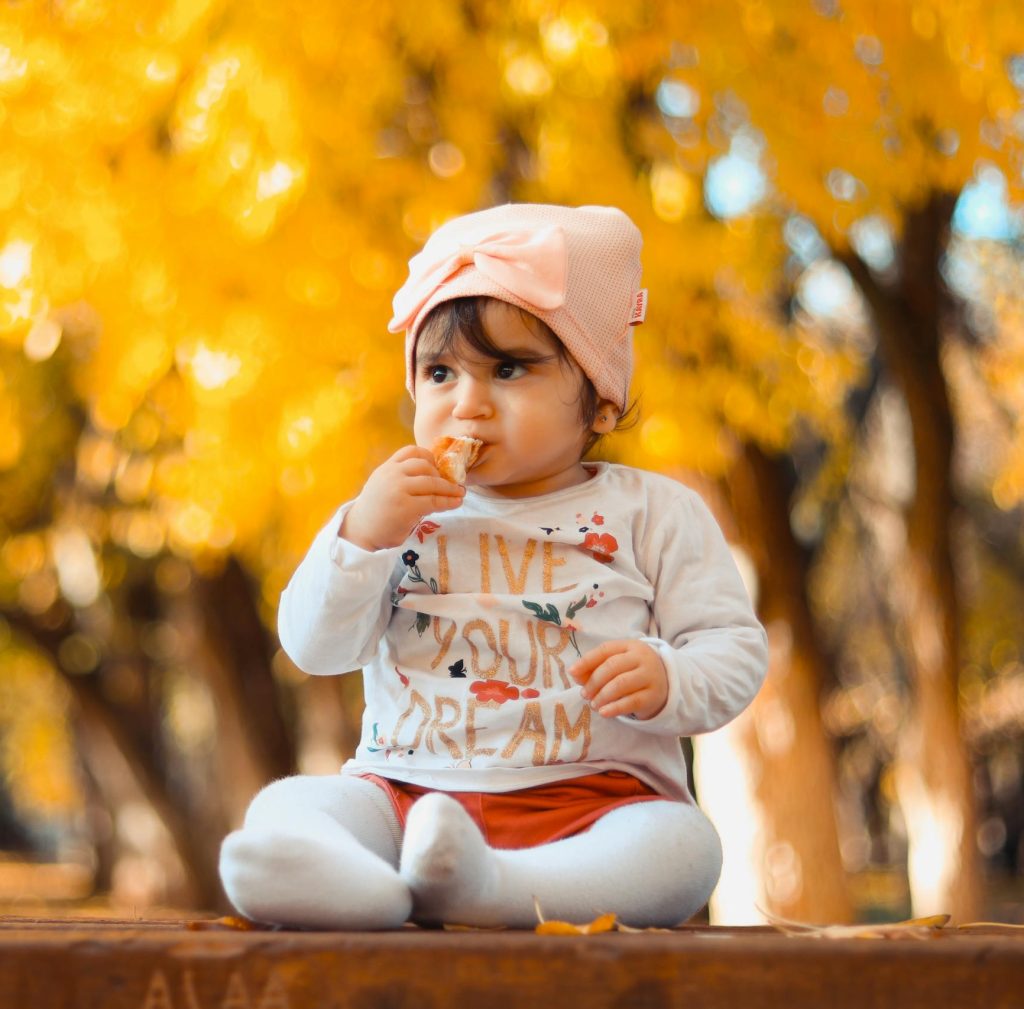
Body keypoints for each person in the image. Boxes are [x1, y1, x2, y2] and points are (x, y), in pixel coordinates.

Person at [219, 203, 768, 930]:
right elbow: (315, 647)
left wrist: (670, 675)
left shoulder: (654, 513)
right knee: (287, 803)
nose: (468, 404)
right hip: (404, 795)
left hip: (592, 800)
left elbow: (733, 650)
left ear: (600, 401)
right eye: (440, 372)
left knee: (684, 848)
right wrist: (360, 537)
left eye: (508, 369)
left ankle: (497, 886)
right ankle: (366, 891)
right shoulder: (392, 513)